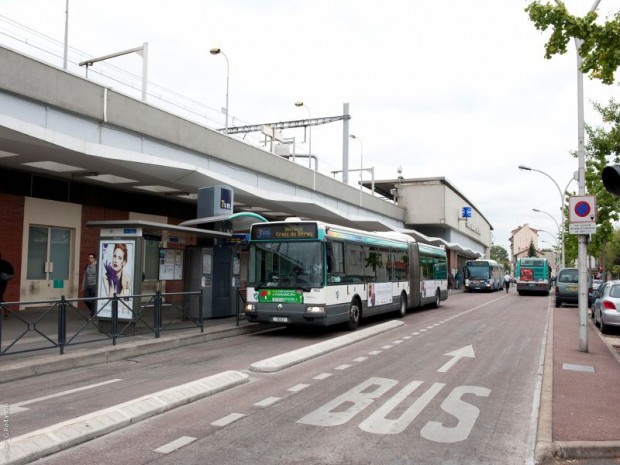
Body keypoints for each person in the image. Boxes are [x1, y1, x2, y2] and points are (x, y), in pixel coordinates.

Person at [82, 253, 98, 317]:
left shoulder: (97, 266)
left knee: (93, 301)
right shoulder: (87, 266)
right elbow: (84, 277)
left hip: (94, 285)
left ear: (94, 259)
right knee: (85, 300)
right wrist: (83, 287)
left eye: (91, 258)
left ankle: (93, 314)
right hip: (88, 285)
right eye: (89, 257)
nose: (90, 259)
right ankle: (93, 311)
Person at [0, 253, 15, 318]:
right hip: (3, 284)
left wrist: (3, 275)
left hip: (1, 284)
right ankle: (7, 309)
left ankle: (6, 309)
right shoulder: (5, 263)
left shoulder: (4, 264)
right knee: (0, 299)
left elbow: (11, 274)